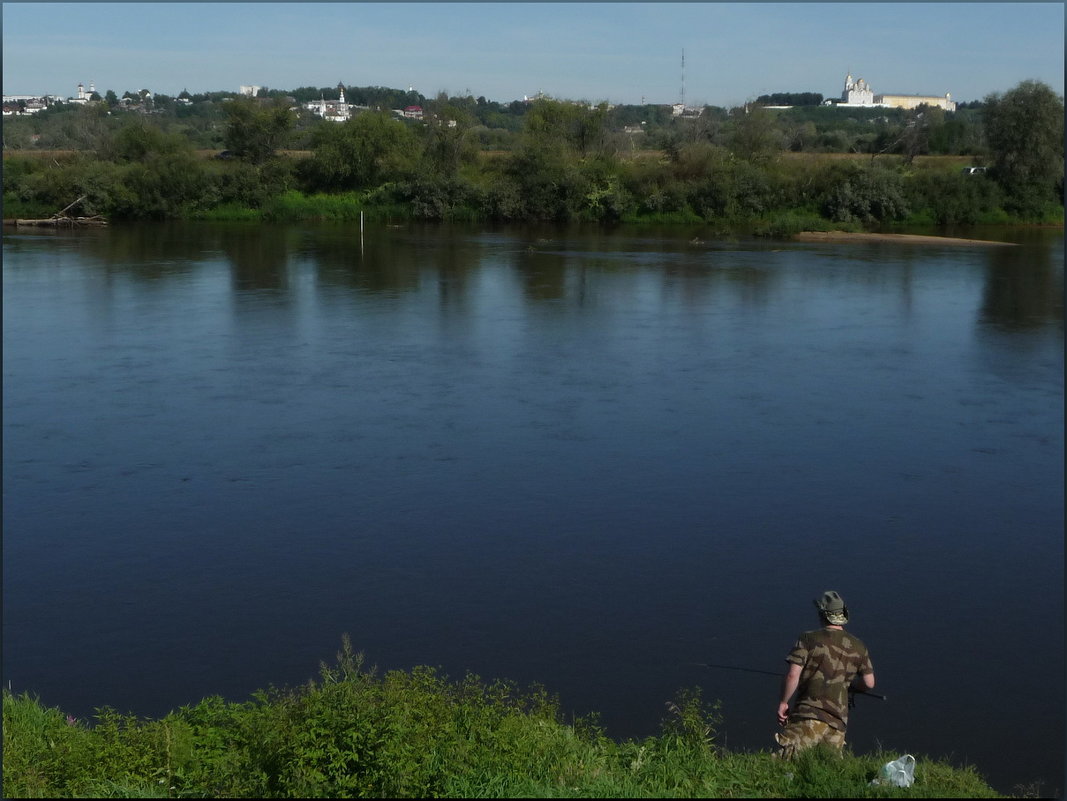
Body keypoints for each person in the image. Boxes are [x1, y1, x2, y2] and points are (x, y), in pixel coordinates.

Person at [774, 590, 875, 759]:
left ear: (822, 614)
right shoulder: (858, 646)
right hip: (838, 723)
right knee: (827, 770)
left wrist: (783, 702)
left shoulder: (808, 638)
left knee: (785, 764)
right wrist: (850, 686)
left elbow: (793, 675)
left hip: (808, 715)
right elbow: (869, 683)